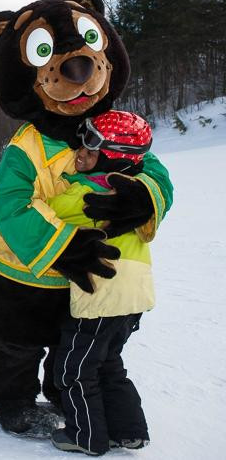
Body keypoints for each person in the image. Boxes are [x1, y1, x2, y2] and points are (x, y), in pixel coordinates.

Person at [46, 111, 155, 456]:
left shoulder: (94, 193)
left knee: (75, 367)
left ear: (114, 157)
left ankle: (86, 435)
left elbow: (51, 207)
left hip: (103, 293)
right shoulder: (136, 190)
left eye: (91, 146)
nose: (81, 152)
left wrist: (61, 180)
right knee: (108, 361)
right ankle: (128, 430)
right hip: (134, 294)